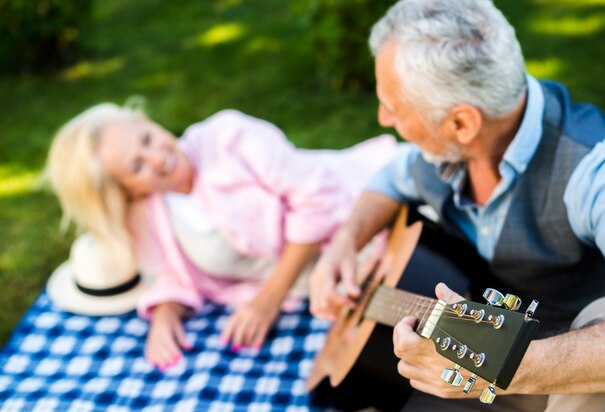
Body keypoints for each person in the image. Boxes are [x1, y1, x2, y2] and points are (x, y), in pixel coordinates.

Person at [309, 0, 605, 412]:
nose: (383, 118)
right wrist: (345, 242)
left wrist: (507, 368)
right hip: (487, 367)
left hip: (586, 382)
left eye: (394, 106)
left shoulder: (602, 173)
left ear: (462, 123)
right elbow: (388, 179)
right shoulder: (443, 152)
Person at [45, 104, 398, 371]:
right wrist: (166, 312)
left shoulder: (228, 137)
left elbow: (317, 200)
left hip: (379, 220)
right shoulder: (152, 215)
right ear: (129, 192)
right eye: (136, 166)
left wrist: (266, 301)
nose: (157, 157)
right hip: (348, 289)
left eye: (147, 138)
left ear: (147, 122)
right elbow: (176, 272)